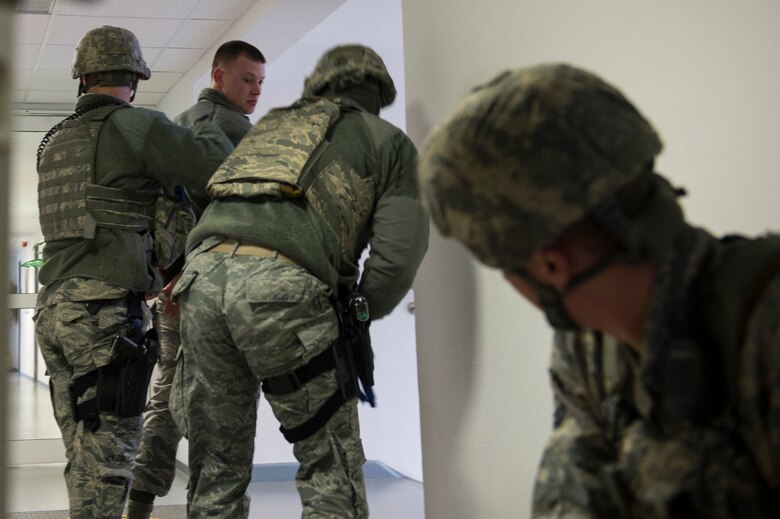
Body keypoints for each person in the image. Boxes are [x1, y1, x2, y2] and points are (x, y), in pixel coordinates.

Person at [418, 63, 780, 517]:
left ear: (551, 266)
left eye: (507, 269)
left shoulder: (766, 329)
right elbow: (570, 494)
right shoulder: (587, 350)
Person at [169, 44, 429, 517]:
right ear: (378, 93)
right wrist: (358, 311)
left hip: (201, 283)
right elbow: (397, 255)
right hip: (281, 288)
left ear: (318, 85)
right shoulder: (387, 141)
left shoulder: (269, 126)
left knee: (216, 469)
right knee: (330, 468)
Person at [33, 25, 233, 518]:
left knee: (83, 456)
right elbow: (216, 167)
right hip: (102, 314)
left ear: (83, 78)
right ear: (136, 78)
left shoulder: (55, 141)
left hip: (54, 311)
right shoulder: (137, 125)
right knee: (109, 463)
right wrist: (210, 121)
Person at [126, 39, 266, 519]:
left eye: (260, 82)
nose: (256, 90)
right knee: (223, 412)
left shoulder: (179, 125)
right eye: (247, 79)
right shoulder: (234, 130)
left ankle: (139, 502)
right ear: (219, 77)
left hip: (172, 292)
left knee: (166, 395)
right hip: (220, 293)